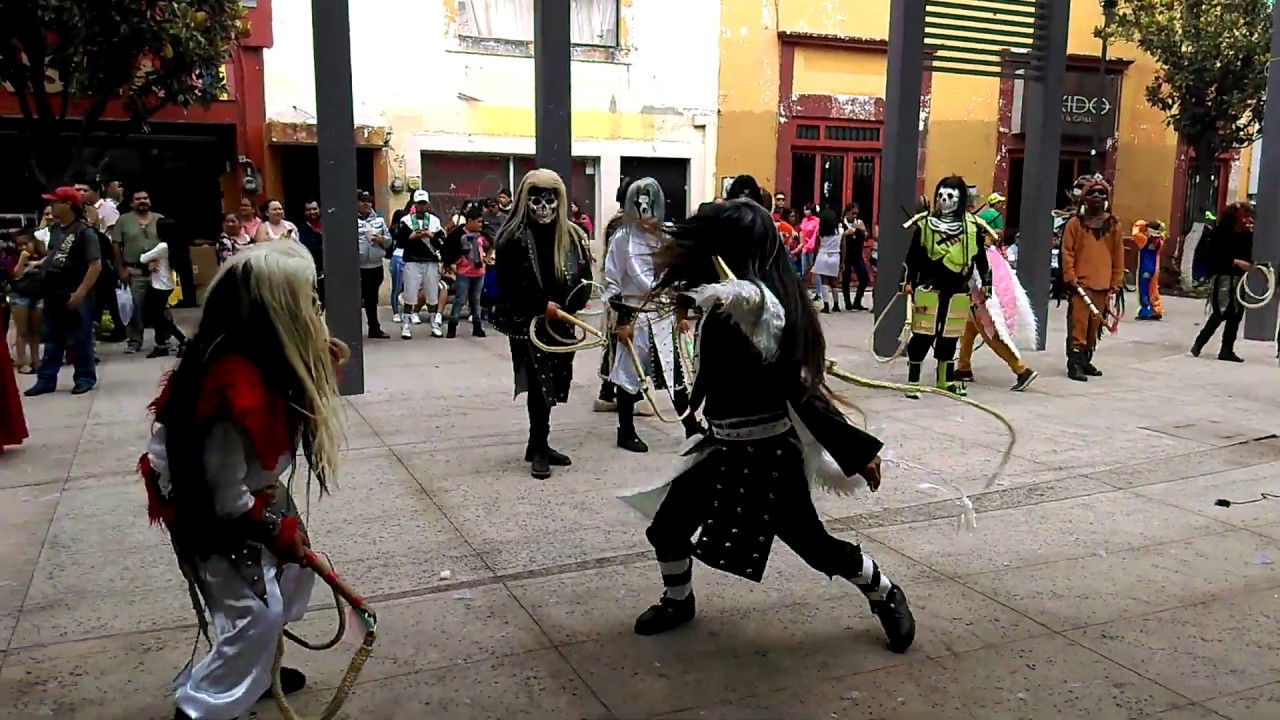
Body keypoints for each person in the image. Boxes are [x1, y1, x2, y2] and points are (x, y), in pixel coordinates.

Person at [620, 200, 915, 653]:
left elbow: (798, 391)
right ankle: (678, 600)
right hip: (718, 450)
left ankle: (885, 592)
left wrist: (856, 452)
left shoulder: (761, 312)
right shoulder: (728, 302)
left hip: (768, 457)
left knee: (815, 547)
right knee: (667, 527)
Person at [139, 241, 346, 720]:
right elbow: (219, 491)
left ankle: (256, 671)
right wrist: (273, 527)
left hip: (252, 490)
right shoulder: (230, 385)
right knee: (253, 612)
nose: (317, 308)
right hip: (209, 503)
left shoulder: (264, 358)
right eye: (307, 299)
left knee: (293, 578)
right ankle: (201, 705)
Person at [493, 169, 593, 479]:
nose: (543, 207)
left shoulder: (573, 235)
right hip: (528, 323)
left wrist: (574, 300)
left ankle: (538, 443)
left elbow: (584, 275)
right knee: (539, 383)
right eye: (536, 199)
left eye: (549, 199)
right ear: (526, 199)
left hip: (561, 321)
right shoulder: (511, 238)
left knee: (555, 382)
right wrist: (540, 305)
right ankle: (539, 447)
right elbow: (507, 286)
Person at [603, 178, 701, 453]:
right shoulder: (622, 239)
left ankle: (691, 428)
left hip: (663, 315)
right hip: (635, 316)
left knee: (675, 373)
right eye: (640, 206)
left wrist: (681, 312)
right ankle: (625, 430)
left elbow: (679, 278)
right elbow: (612, 281)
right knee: (628, 375)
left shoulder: (666, 236)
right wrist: (623, 321)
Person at [901, 176, 991, 398]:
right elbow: (913, 256)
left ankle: (946, 380)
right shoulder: (925, 225)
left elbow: (980, 257)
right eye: (941, 195)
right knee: (923, 333)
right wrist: (909, 281)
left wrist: (987, 283)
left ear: (960, 199)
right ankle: (913, 380)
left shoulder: (972, 226)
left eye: (950, 196)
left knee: (950, 333)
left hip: (959, 287)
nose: (944, 200)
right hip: (930, 287)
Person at [26, 187, 102, 397]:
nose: (51, 206)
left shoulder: (85, 231)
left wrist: (80, 294)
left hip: (75, 289)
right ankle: (46, 379)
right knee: (52, 337)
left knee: (80, 337)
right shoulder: (56, 229)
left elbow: (95, 266)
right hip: (53, 290)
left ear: (68, 204)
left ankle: (84, 377)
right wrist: (40, 264)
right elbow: (56, 255)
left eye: (55, 201)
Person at [955, 222, 1039, 392]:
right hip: (978, 300)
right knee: (967, 330)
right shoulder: (993, 252)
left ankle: (1021, 369)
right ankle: (963, 367)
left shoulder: (978, 252)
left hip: (981, 302)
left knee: (992, 336)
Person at [1061, 177, 1123, 381]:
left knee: (1093, 327)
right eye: (1092, 193)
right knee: (1078, 325)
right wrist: (1070, 276)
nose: (1097, 197)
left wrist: (1116, 282)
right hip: (1081, 285)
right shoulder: (1074, 224)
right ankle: (1075, 363)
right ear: (1084, 198)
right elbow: (1067, 252)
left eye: (1101, 193)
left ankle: (1086, 360)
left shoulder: (1113, 225)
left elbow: (1118, 256)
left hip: (1102, 286)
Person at [1192, 202, 1254, 363]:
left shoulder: (1247, 234)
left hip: (1240, 280)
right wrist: (1234, 262)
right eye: (1245, 216)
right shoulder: (1221, 232)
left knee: (1236, 316)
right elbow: (1213, 255)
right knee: (1220, 313)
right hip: (1224, 278)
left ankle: (1227, 349)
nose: (1248, 220)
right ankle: (1199, 343)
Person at [593, 176, 635, 414]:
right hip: (621, 295)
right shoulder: (622, 225)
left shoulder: (623, 223)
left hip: (624, 294)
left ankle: (611, 391)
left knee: (618, 344)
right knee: (619, 344)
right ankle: (612, 391)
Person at [112, 189, 166, 354]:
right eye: (138, 199)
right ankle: (135, 340)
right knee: (135, 307)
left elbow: (169, 243)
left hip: (158, 270)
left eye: (145, 198)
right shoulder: (123, 220)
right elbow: (116, 245)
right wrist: (120, 269)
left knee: (162, 307)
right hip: (134, 270)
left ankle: (163, 339)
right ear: (131, 203)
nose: (142, 201)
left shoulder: (160, 219)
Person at [394, 190, 445, 339]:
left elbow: (441, 242)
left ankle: (434, 325)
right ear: (414, 204)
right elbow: (400, 242)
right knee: (410, 294)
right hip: (412, 261)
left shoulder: (434, 221)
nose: (422, 206)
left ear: (427, 204)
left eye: (424, 203)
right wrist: (411, 237)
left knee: (432, 295)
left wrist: (431, 235)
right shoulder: (406, 221)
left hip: (430, 262)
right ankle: (406, 326)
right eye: (419, 203)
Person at [138, 228, 189, 358]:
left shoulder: (162, 246)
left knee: (158, 316)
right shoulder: (173, 244)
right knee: (157, 316)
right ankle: (161, 344)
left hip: (159, 284)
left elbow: (143, 258)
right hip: (166, 283)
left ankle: (182, 339)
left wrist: (150, 259)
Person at [444, 202, 490, 338]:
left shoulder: (482, 234)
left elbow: (492, 244)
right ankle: (452, 325)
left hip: (479, 273)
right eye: (478, 222)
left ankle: (477, 326)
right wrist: (454, 264)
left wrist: (486, 257)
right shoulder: (457, 234)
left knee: (476, 300)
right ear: (470, 221)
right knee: (460, 299)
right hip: (464, 273)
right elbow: (447, 251)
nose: (481, 225)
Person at [356, 190, 392, 339]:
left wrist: (381, 239)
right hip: (357, 267)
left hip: (375, 266)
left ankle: (374, 328)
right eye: (363, 201)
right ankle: (352, 329)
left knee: (372, 300)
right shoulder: (348, 220)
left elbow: (389, 241)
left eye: (369, 201)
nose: (367, 204)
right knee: (355, 300)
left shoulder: (378, 220)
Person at [9, 228, 45, 374]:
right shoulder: (13, 258)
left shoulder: (42, 256)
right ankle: (22, 362)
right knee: (22, 332)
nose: (23, 247)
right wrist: (22, 260)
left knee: (35, 332)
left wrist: (38, 262)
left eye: (26, 244)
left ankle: (36, 360)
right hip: (20, 296)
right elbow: (15, 275)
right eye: (20, 245)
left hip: (37, 296)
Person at [1132, 219, 1165, 321]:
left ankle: (1145, 311)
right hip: (1155, 268)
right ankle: (1156, 310)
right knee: (1153, 290)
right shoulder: (1160, 241)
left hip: (1145, 268)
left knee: (1144, 290)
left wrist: (1140, 224)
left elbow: (1135, 233)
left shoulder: (1144, 240)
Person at [840, 203, 870, 312]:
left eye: (856, 213)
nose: (855, 216)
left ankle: (857, 301)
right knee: (846, 279)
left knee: (864, 278)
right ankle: (847, 303)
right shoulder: (842, 224)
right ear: (847, 212)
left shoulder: (859, 223)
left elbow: (866, 237)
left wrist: (862, 230)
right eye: (853, 213)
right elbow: (837, 237)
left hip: (857, 254)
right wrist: (845, 234)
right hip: (846, 254)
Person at [811, 210, 844, 313]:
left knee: (824, 281)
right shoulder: (841, 232)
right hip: (835, 256)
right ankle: (836, 304)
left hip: (822, 255)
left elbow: (816, 247)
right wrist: (842, 262)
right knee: (834, 282)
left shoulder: (820, 232)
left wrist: (814, 259)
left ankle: (826, 305)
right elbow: (843, 247)